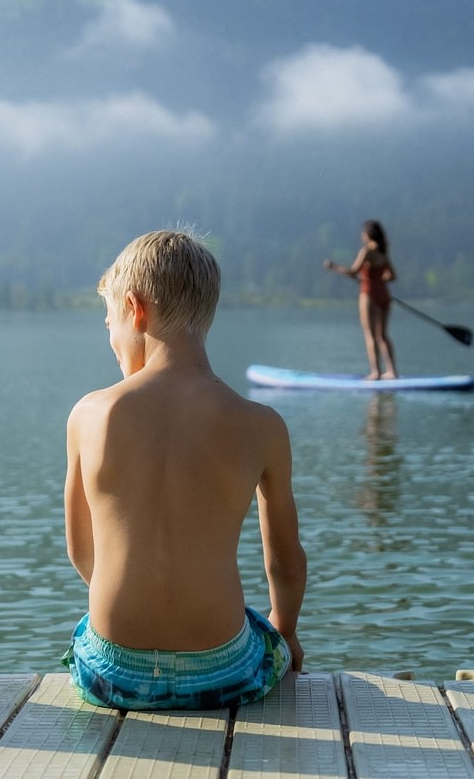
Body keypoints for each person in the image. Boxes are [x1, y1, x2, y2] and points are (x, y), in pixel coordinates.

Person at [63, 228, 307, 710]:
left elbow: (81, 552)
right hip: (222, 670)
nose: (111, 339)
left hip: (115, 674)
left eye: (109, 322)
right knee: (262, 631)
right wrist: (287, 630)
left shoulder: (89, 415)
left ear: (135, 309)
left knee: (85, 633)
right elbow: (284, 559)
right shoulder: (261, 425)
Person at [324, 219, 398, 379]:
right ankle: (392, 372)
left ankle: (375, 372)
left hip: (369, 293)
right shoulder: (383, 252)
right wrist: (379, 280)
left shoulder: (367, 252)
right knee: (383, 335)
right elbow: (392, 276)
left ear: (367, 235)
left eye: (363, 233)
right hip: (384, 294)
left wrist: (333, 267)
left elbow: (353, 272)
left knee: (370, 334)